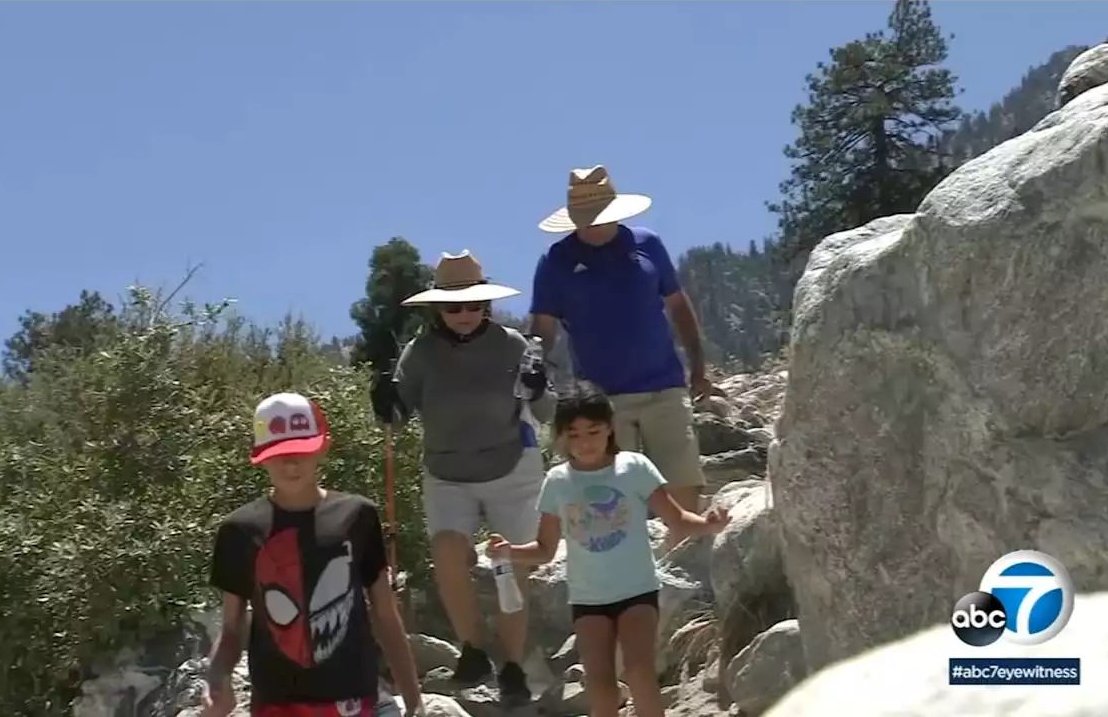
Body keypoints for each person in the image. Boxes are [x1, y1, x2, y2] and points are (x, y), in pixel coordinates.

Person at [370, 250, 553, 703]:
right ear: (437, 309)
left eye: (475, 305)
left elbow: (549, 413)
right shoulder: (420, 354)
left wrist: (539, 388)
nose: (466, 314)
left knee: (511, 566)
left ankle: (511, 665)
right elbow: (396, 417)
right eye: (454, 306)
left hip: (512, 468)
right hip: (448, 473)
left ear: (486, 305)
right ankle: (472, 648)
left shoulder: (513, 344)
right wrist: (384, 400)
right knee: (446, 551)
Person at [487, 391, 730, 717]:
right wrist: (508, 552)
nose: (584, 442)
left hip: (638, 591)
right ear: (561, 437)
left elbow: (675, 518)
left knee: (639, 671)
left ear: (610, 428)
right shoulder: (557, 482)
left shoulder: (634, 467)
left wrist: (708, 525)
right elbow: (545, 550)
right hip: (588, 600)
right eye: (573, 434)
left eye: (593, 431)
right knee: (599, 684)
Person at [201, 392, 422, 717]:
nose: (291, 464)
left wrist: (415, 702)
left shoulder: (358, 515)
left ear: (323, 446)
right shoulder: (239, 530)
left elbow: (385, 615)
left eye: (301, 451)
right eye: (280, 454)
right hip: (275, 703)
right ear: (260, 457)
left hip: (354, 699)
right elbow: (232, 626)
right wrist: (216, 678)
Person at [529, 165, 713, 545]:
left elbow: (678, 305)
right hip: (602, 402)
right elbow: (543, 328)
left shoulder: (646, 244)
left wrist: (698, 366)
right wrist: (532, 363)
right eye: (584, 220)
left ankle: (688, 590)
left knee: (683, 491)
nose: (592, 226)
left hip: (664, 386)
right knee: (615, 502)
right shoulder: (556, 262)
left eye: (599, 217)